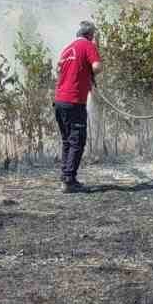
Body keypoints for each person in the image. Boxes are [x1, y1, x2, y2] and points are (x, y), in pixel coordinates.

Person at [54, 21, 102, 192]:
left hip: (59, 100)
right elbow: (97, 66)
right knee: (77, 140)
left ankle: (65, 176)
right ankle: (69, 181)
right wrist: (89, 74)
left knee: (67, 140)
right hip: (74, 100)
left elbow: (59, 69)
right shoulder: (88, 45)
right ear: (90, 35)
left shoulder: (67, 49)